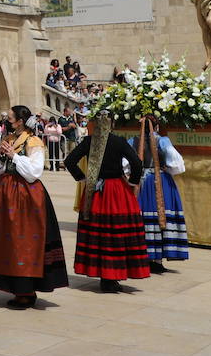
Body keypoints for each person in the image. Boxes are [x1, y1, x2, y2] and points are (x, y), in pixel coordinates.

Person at [0, 105, 68, 309]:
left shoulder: (33, 141)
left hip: (27, 196)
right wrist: (1, 152)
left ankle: (27, 291)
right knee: (7, 240)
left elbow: (34, 172)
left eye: (10, 118)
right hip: (5, 192)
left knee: (25, 241)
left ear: (19, 121)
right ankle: (14, 285)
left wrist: (14, 156)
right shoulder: (9, 139)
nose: (6, 121)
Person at [64, 119, 149, 293]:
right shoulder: (118, 141)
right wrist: (132, 182)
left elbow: (69, 161)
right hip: (117, 190)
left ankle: (104, 275)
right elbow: (136, 162)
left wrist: (83, 178)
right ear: (111, 125)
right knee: (116, 231)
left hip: (94, 191)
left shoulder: (89, 141)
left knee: (99, 232)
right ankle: (113, 275)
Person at [131, 124, 189, 273]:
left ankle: (146, 257)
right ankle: (157, 260)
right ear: (156, 126)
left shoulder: (133, 141)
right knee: (160, 218)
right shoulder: (162, 141)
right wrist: (167, 169)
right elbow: (178, 165)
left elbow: (125, 166)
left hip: (141, 182)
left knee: (145, 218)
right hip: (160, 181)